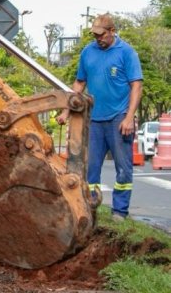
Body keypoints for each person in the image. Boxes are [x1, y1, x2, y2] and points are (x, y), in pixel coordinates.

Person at [56, 13, 143, 220]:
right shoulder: (88, 52)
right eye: (95, 35)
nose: (98, 39)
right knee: (91, 169)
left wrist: (129, 117)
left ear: (112, 31)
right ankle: (91, 207)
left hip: (118, 119)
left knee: (123, 169)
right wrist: (66, 110)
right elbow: (79, 83)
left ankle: (119, 211)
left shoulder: (127, 53)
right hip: (94, 120)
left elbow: (136, 86)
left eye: (101, 35)